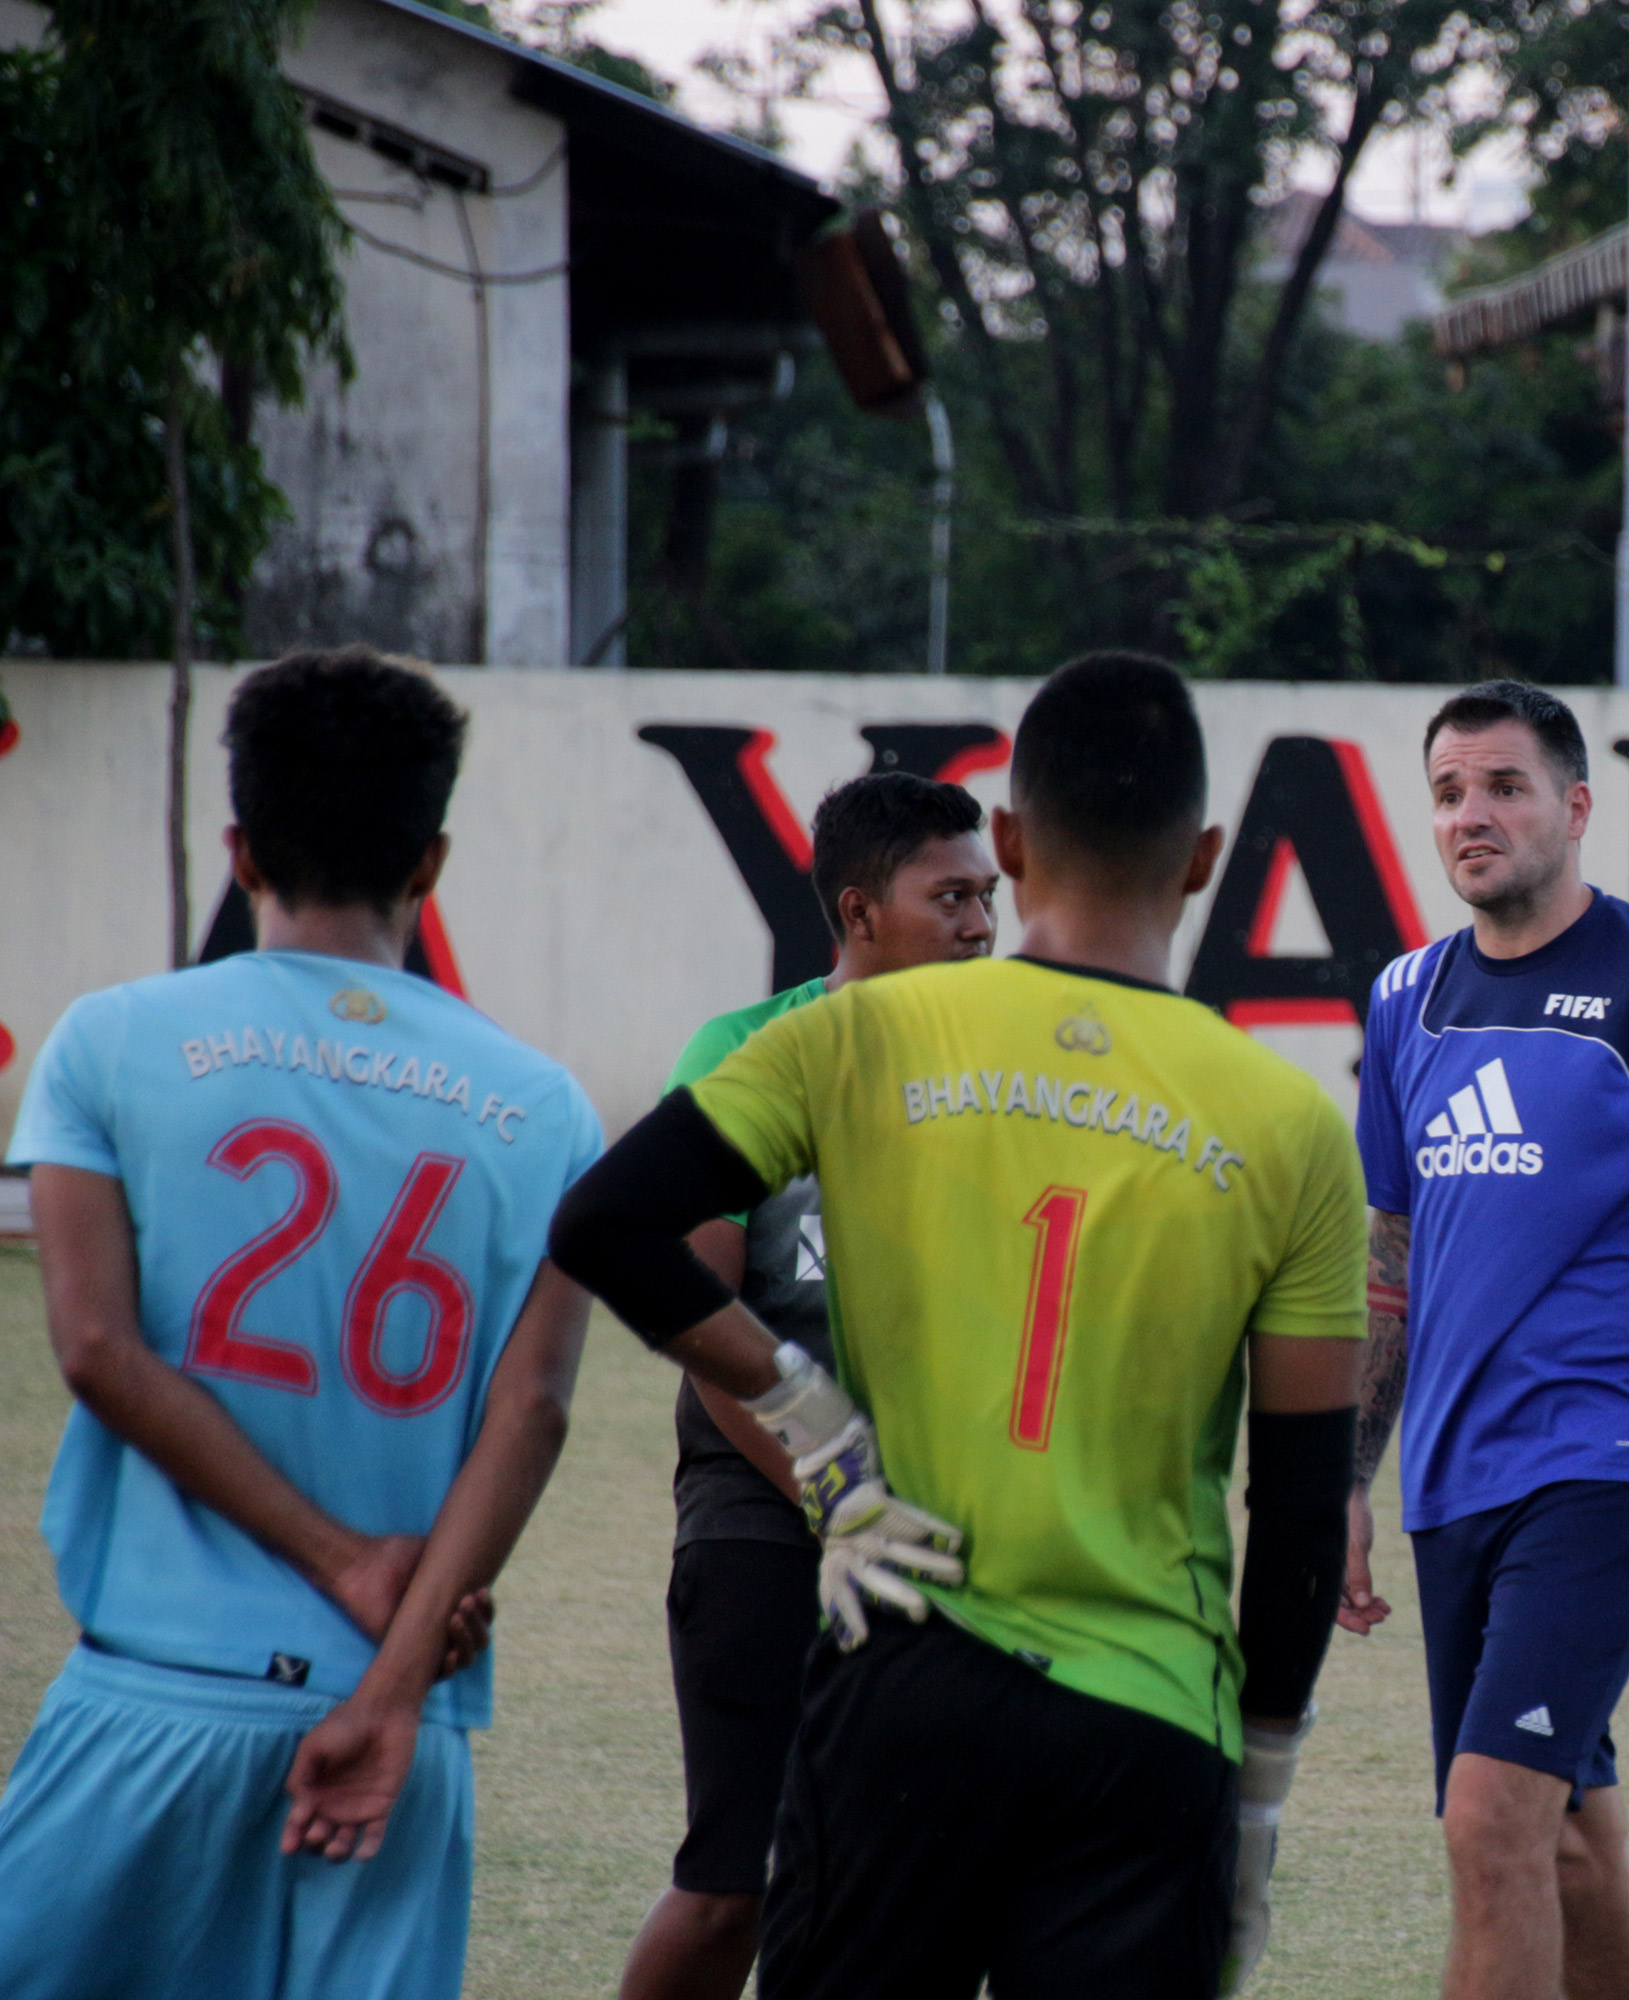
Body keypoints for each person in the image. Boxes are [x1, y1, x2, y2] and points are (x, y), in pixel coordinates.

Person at [550, 652, 1365, 2000]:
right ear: (1209, 855)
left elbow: (606, 1227)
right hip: (1149, 1716)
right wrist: (1259, 1810)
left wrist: (817, 1432)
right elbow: (1294, 1509)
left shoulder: (864, 1034)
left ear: (1011, 841)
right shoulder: (1287, 1126)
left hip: (901, 1673)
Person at [0, 648, 602, 2000]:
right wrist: (392, 1674)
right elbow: (539, 1408)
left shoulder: (110, 1042)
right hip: (399, 1721)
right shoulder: (547, 1106)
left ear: (241, 846)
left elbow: (96, 1349)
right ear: (431, 861)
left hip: (153, 1694)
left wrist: (339, 1558)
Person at [1347, 679, 1629, 2000]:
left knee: (1490, 1825)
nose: (1470, 816)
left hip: (1607, 1460)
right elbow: (1394, 1258)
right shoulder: (1403, 1001)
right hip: (1449, 1479)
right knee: (1568, 1859)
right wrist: (1348, 1484)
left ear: (1576, 807)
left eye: (1504, 787)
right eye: (1447, 794)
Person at [620, 772, 998, 2000]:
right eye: (950, 897)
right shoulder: (743, 1052)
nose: (982, 924)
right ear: (860, 909)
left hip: (946, 1523)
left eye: (988, 894)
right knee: (736, 1879)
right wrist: (834, 1489)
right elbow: (696, 1309)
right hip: (760, 1511)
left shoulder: (1008, 1065)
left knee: (926, 1880)